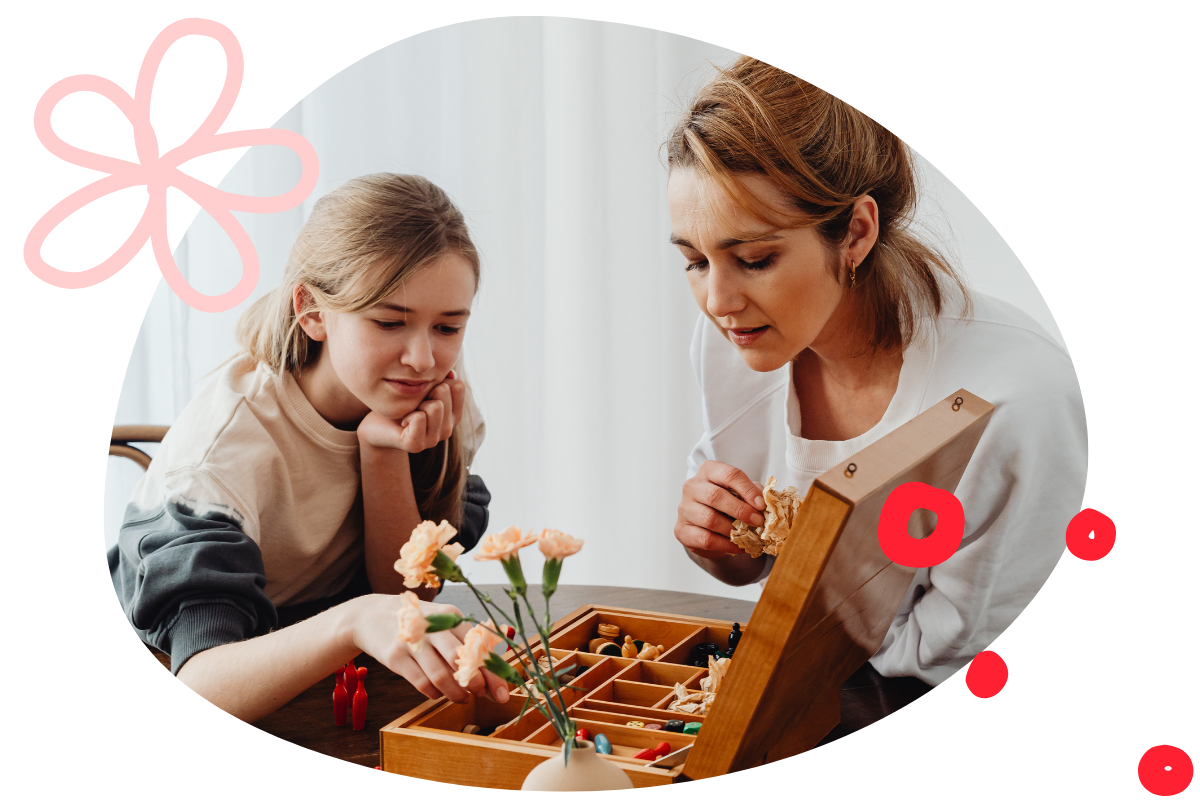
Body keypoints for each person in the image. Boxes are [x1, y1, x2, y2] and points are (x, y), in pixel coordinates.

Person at [667, 58, 1088, 687]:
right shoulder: (737, 337)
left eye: (753, 259)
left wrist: (802, 590)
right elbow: (758, 565)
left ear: (857, 232)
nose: (719, 302)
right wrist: (726, 549)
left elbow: (968, 659)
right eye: (695, 261)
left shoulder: (1015, 399)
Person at [118, 174, 509, 721]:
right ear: (312, 311)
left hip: (321, 674)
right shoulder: (217, 462)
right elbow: (199, 691)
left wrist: (382, 453)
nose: (423, 359)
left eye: (447, 328)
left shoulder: (429, 394)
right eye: (389, 322)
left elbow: (407, 595)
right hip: (187, 685)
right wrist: (354, 619)